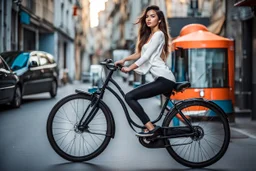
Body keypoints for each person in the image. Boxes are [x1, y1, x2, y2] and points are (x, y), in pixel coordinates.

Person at [115, 5, 176, 137]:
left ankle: (151, 128)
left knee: (129, 96)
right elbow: (139, 54)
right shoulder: (150, 35)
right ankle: (151, 128)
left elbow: (146, 57)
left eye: (152, 16)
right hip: (161, 79)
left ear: (159, 20)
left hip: (165, 79)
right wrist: (124, 59)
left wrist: (129, 68)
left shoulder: (159, 34)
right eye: (147, 16)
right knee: (132, 97)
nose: (148, 19)